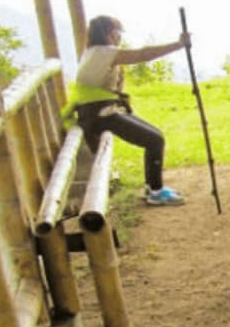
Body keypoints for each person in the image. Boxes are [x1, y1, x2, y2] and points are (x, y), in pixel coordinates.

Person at [65, 15, 189, 206]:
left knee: (155, 136)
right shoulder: (104, 52)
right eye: (117, 31)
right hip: (100, 114)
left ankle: (153, 188)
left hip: (96, 112)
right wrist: (178, 45)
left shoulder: (93, 52)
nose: (119, 36)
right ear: (108, 33)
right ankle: (155, 192)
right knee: (154, 140)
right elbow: (142, 55)